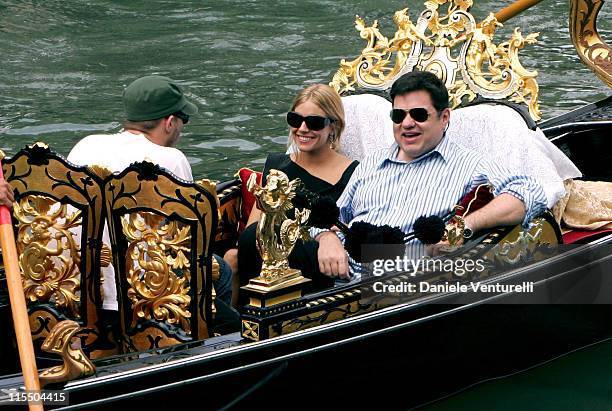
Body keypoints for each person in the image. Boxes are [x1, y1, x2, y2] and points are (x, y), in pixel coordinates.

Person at [312, 70, 548, 278]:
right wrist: (327, 239)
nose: (407, 123)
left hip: (410, 287)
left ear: (444, 118)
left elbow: (528, 193)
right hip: (342, 281)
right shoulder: (371, 162)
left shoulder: (470, 164)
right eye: (399, 115)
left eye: (419, 115)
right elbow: (334, 217)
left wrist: (461, 227)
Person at [68, 75, 233, 311]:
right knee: (222, 270)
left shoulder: (86, 145)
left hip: (77, 284)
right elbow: (189, 237)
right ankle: (212, 335)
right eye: (183, 119)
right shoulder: (171, 159)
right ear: (169, 122)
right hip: (140, 291)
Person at [227, 84, 359, 304]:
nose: (303, 129)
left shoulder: (354, 174)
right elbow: (254, 229)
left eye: (314, 122)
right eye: (296, 120)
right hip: (262, 262)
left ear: (333, 127)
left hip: (314, 267)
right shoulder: (276, 165)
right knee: (246, 243)